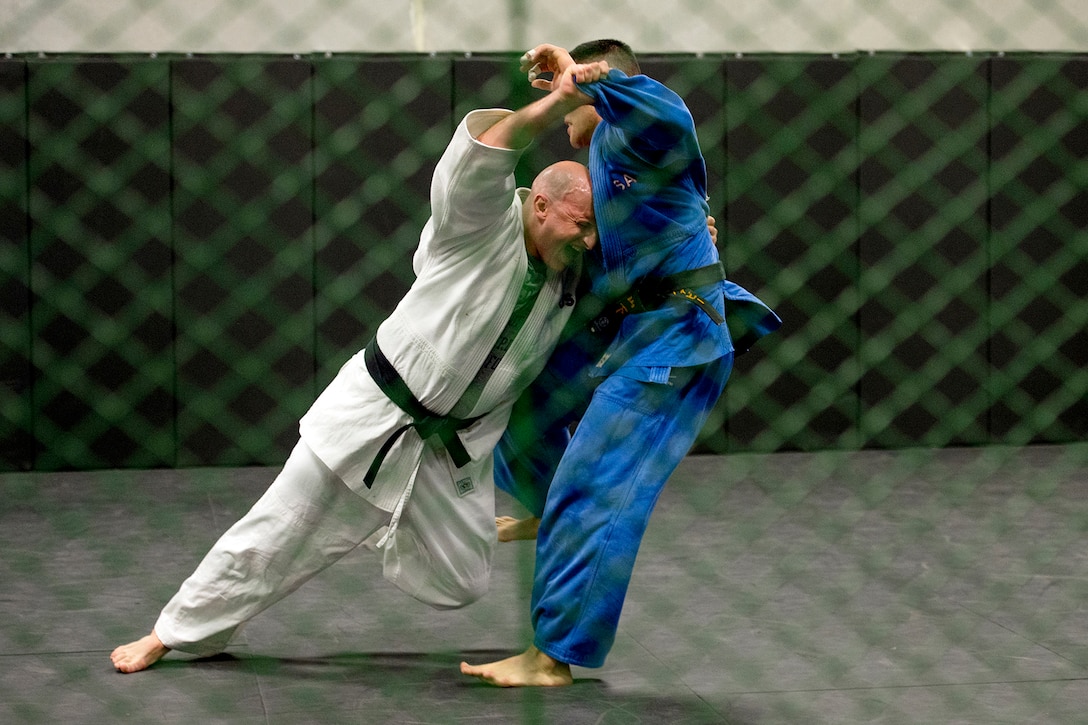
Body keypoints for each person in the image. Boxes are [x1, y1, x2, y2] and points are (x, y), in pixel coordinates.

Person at [110, 83, 601, 673]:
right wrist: (555, 103)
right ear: (541, 206)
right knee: (276, 532)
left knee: (462, 581)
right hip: (375, 414)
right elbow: (484, 153)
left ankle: (379, 517)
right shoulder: (475, 230)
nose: (589, 240)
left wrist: (692, 240)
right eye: (580, 225)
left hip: (455, 446)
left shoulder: (571, 267)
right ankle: (171, 632)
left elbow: (642, 251)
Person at [461, 40, 781, 687]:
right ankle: (546, 502)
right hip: (636, 323)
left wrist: (588, 80)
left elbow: (670, 117)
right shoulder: (605, 153)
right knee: (521, 399)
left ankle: (552, 655)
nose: (561, 116)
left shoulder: (638, 131)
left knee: (593, 489)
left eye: (566, 98)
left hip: (677, 338)